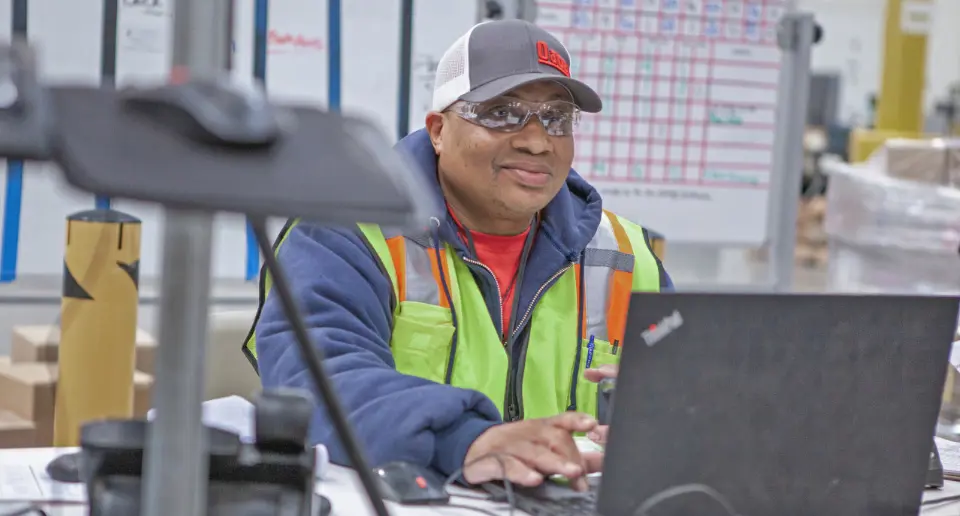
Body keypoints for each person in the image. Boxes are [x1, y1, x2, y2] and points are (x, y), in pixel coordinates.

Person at [243, 19, 672, 490]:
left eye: (556, 118)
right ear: (438, 131)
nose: (536, 140)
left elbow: (694, 388)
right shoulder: (345, 230)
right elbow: (316, 379)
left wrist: (667, 419)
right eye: (502, 113)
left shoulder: (626, 254)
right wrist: (468, 439)